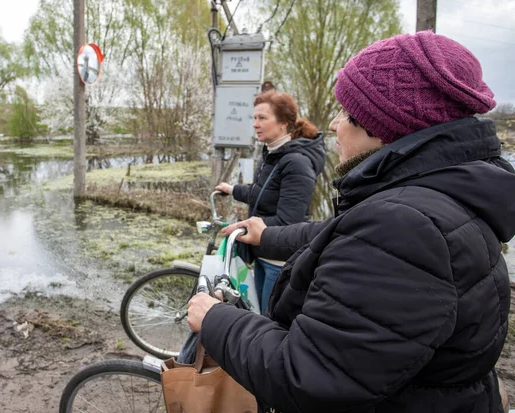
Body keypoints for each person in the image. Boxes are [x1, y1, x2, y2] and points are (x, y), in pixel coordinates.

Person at [188, 31, 515, 413]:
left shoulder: (405, 225)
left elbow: (308, 376)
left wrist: (216, 321)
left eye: (344, 112)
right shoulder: (437, 198)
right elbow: (341, 237)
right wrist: (269, 235)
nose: (334, 123)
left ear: (382, 126)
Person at [215, 90, 326, 314]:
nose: (255, 124)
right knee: (257, 313)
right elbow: (261, 194)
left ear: (284, 123)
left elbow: (289, 221)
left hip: (280, 262)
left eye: (262, 118)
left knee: (267, 322)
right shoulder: (272, 155)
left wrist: (242, 226)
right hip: (263, 253)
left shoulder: (296, 162)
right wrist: (232, 189)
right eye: (254, 118)